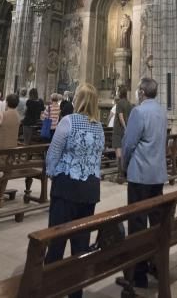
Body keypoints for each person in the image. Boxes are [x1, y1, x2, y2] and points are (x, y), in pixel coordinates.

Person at [44, 82, 105, 297]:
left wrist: (53, 174)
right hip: (89, 190)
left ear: (77, 100)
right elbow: (98, 156)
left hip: (66, 187)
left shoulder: (68, 121)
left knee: (57, 241)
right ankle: (75, 292)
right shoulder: (99, 126)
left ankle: (50, 287)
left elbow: (53, 153)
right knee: (81, 244)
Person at [121, 77, 168, 288]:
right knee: (156, 222)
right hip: (157, 175)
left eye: (138, 90)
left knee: (137, 224)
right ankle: (157, 265)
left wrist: (124, 165)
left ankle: (138, 275)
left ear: (141, 92)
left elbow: (129, 143)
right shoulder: (161, 111)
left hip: (140, 175)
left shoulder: (138, 112)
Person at [112, 85, 133, 184]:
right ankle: (124, 173)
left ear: (120, 92)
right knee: (124, 153)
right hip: (127, 130)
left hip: (119, 130)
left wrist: (125, 128)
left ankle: (120, 175)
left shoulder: (119, 103)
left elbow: (120, 117)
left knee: (118, 153)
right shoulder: (129, 104)